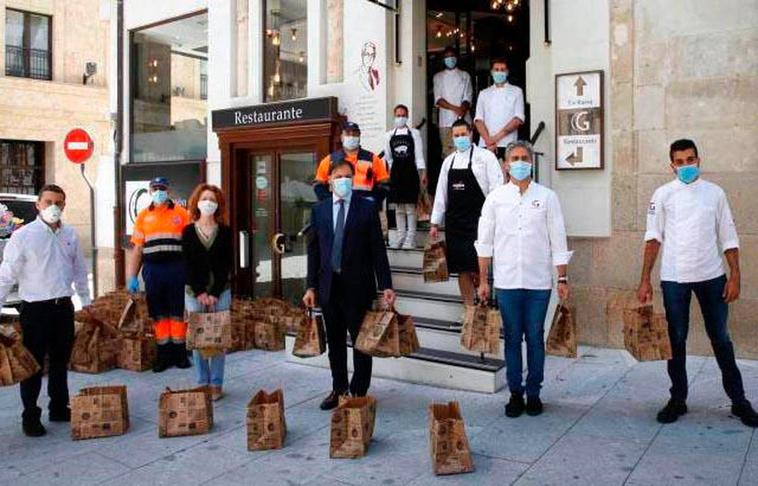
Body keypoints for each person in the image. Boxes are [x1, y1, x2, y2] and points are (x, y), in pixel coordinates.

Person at [637, 139, 758, 428]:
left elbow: (728, 236)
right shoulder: (663, 194)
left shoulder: (715, 194)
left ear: (698, 160)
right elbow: (653, 238)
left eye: (690, 160)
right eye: (679, 162)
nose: (686, 166)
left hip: (712, 277)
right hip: (675, 278)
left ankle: (739, 401)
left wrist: (735, 275)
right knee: (676, 341)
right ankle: (677, 399)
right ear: (671, 165)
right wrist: (644, 280)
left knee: (721, 339)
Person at [475, 141, 572, 417]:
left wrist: (562, 278)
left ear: (531, 162)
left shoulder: (547, 197)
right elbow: (485, 243)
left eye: (524, 158)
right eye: (514, 158)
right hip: (506, 283)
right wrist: (483, 280)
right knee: (513, 339)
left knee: (535, 337)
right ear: (506, 164)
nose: (519, 162)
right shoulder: (495, 198)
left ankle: (534, 392)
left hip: (539, 282)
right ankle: (515, 393)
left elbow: (558, 239)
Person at [303, 159, 395, 410]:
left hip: (358, 286)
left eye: (347, 176)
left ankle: (358, 391)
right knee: (334, 342)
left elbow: (378, 250)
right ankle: (338, 388)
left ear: (352, 180)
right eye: (338, 176)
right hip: (329, 286)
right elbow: (314, 252)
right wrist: (310, 287)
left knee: (361, 343)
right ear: (329, 180)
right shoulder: (319, 210)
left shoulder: (366, 209)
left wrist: (386, 284)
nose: (343, 180)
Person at [0, 185, 90, 437]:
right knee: (34, 365)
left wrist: (87, 302)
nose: (53, 207)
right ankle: (30, 415)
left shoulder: (70, 234)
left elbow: (80, 272)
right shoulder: (23, 236)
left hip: (62, 307)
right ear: (37, 205)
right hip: (35, 310)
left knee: (61, 361)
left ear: (64, 206)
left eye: (58, 202)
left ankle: (59, 407)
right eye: (48, 201)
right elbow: (7, 274)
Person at [430, 119, 503, 307]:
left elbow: (496, 187)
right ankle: (469, 309)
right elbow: (441, 193)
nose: (460, 138)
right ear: (452, 138)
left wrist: (496, 216)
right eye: (456, 135)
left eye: (463, 134)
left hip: (479, 221)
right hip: (455, 223)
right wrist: (434, 222)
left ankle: (483, 305)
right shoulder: (448, 161)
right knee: (462, 269)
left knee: (479, 266)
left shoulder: (485, 157)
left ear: (471, 134)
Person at [126, 177, 191, 373]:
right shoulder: (143, 216)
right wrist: (132, 277)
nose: (158, 191)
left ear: (168, 191)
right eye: (155, 188)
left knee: (177, 312)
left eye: (162, 188)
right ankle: (163, 354)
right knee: (158, 313)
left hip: (176, 269)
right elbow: (137, 249)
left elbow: (190, 247)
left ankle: (180, 354)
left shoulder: (182, 214)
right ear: (149, 191)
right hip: (153, 271)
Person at [181, 184, 232, 401]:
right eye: (204, 199)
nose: (208, 203)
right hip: (194, 292)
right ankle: (202, 381)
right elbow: (187, 264)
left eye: (212, 199)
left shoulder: (226, 232)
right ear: (197, 203)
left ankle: (216, 383)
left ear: (218, 204)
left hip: (221, 291)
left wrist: (214, 292)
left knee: (218, 337)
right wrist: (201, 292)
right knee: (198, 336)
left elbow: (226, 265)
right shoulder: (188, 231)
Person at [313, 121, 390, 205]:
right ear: (341, 137)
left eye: (355, 134)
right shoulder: (329, 160)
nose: (351, 136)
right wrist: (330, 201)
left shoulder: (372, 159)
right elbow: (318, 185)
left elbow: (384, 184)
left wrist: (373, 200)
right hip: (339, 207)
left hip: (365, 207)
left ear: (359, 137)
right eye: (348, 133)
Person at [384, 104, 427, 249]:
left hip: (411, 172)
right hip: (396, 173)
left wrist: (423, 173)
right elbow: (388, 157)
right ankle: (400, 237)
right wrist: (390, 173)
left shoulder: (414, 133)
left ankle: (411, 238)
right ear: (394, 116)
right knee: (398, 208)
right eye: (398, 115)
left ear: (407, 116)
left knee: (410, 207)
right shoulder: (389, 135)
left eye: (403, 115)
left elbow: (419, 155)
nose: (400, 118)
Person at [474, 57, 525, 161]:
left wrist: (495, 139)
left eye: (502, 70)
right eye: (496, 70)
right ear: (492, 72)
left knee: (507, 175)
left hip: (508, 143)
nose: (499, 72)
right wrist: (488, 141)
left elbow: (517, 120)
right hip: (486, 145)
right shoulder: (484, 93)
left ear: (507, 72)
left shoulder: (516, 91)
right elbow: (478, 120)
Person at [433, 46, 473, 155]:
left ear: (456, 57)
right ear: (443, 59)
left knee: (465, 151)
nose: (450, 59)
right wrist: (455, 108)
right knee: (448, 153)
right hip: (446, 122)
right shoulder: (438, 77)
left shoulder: (465, 75)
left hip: (464, 121)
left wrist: (462, 110)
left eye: (452, 56)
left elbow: (467, 97)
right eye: (447, 57)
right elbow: (438, 99)